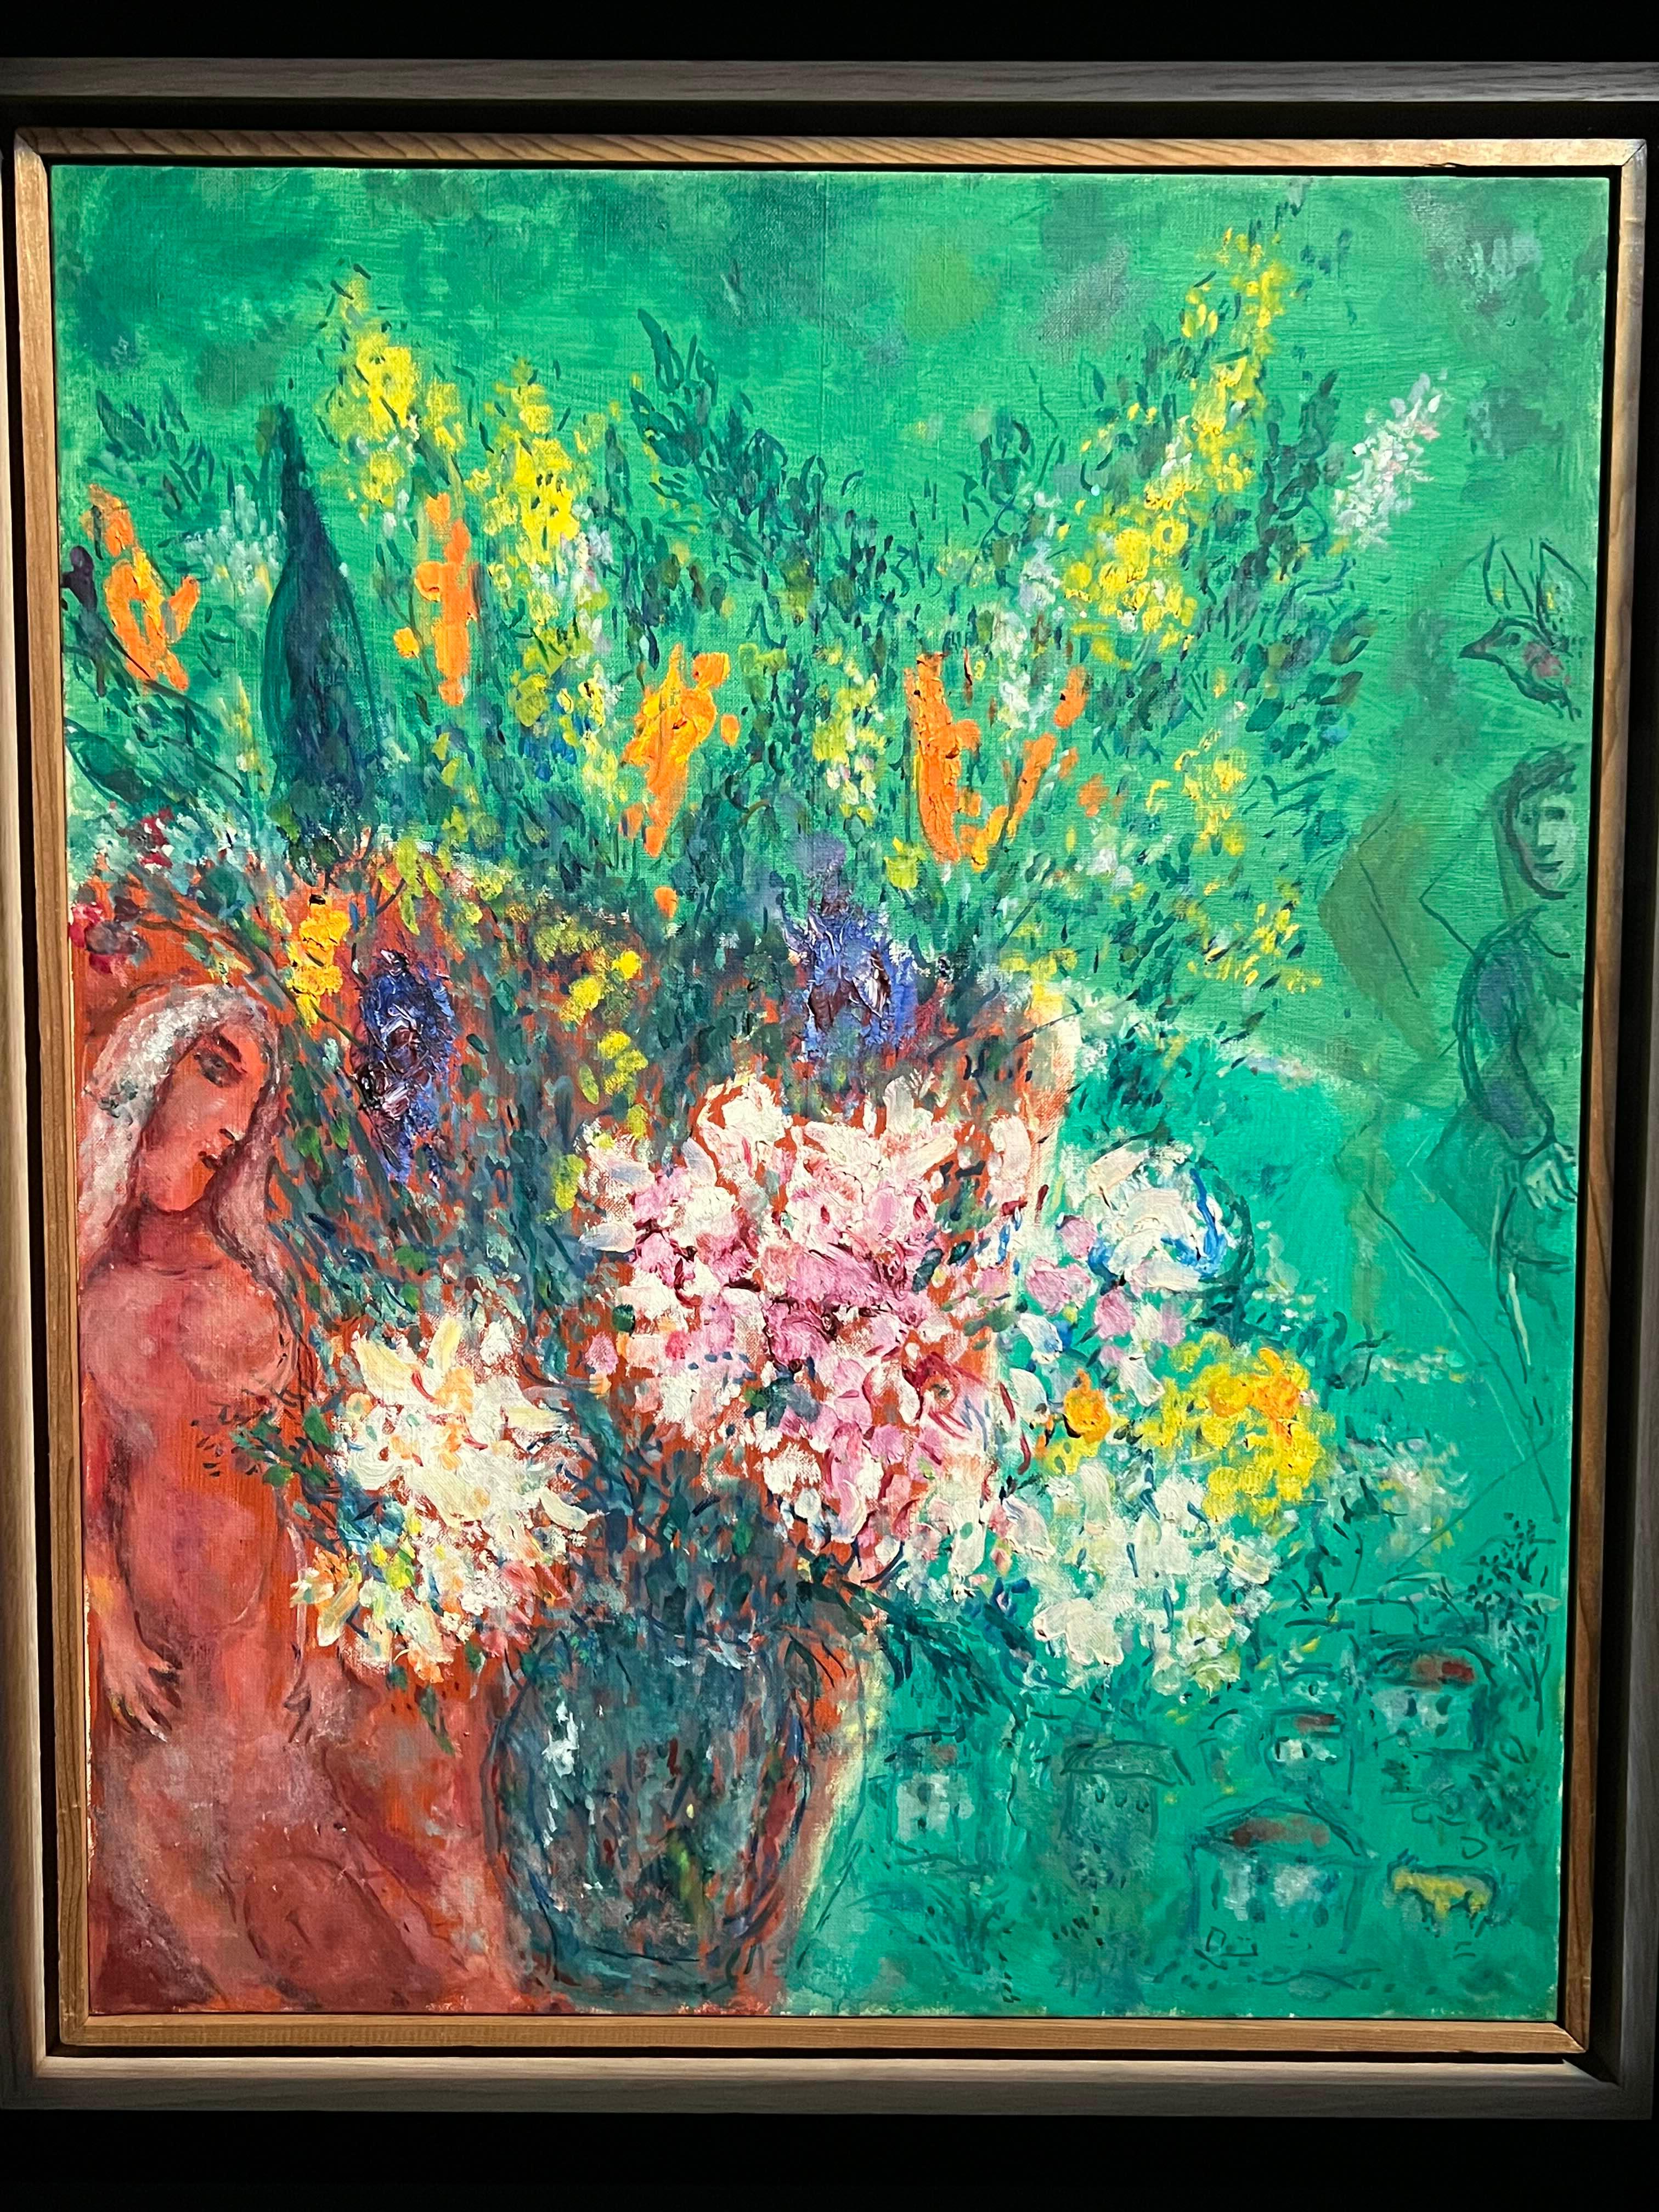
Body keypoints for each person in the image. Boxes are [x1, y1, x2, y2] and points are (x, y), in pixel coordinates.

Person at [78, 982, 452, 2012]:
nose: (229, 1129)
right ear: (149, 1079)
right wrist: (109, 1626)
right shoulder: (89, 1304)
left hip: (263, 1663)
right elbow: (85, 1498)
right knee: (197, 1926)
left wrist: (324, 1642)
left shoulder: (252, 1288)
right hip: (163, 1675)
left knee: (324, 1906)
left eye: (248, 1110)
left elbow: (306, 1489)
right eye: (215, 1073)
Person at [1427, 751, 1584, 1395]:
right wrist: (1535, 1145)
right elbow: (1485, 1059)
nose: (1542, 839)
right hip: (1549, 1197)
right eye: (1527, 819)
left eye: (1559, 815)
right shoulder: (1506, 960)